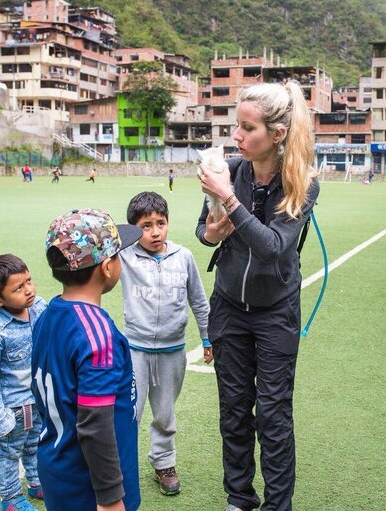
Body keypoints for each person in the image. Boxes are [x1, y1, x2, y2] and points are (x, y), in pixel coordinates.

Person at [197, 81, 320, 511]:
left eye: (247, 129)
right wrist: (210, 231)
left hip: (276, 312)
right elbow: (204, 231)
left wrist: (228, 199)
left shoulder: (301, 184)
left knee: (272, 415)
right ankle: (240, 499)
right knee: (233, 411)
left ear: (277, 134)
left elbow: (271, 247)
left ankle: (277, 506)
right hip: (229, 306)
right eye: (237, 126)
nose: (237, 136)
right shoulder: (229, 169)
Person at [32, 209, 143, 511]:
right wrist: (109, 499)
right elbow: (95, 423)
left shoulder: (48, 316)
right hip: (90, 487)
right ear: (107, 267)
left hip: (57, 471)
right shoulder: (96, 334)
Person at [119, 191, 210, 496]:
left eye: (161, 223)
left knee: (164, 412)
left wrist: (208, 337)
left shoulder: (183, 257)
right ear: (134, 229)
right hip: (135, 352)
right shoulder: (125, 257)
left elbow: (198, 300)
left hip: (173, 352)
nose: (155, 231)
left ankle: (163, 463)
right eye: (145, 226)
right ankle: (120, 466)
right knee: (130, 411)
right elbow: (101, 258)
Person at [0, 254, 47, 511]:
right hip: (14, 408)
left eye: (28, 281)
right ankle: (9, 497)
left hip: (37, 397)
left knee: (35, 444)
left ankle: (36, 482)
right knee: (9, 452)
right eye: (18, 288)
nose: (28, 289)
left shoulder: (39, 307)